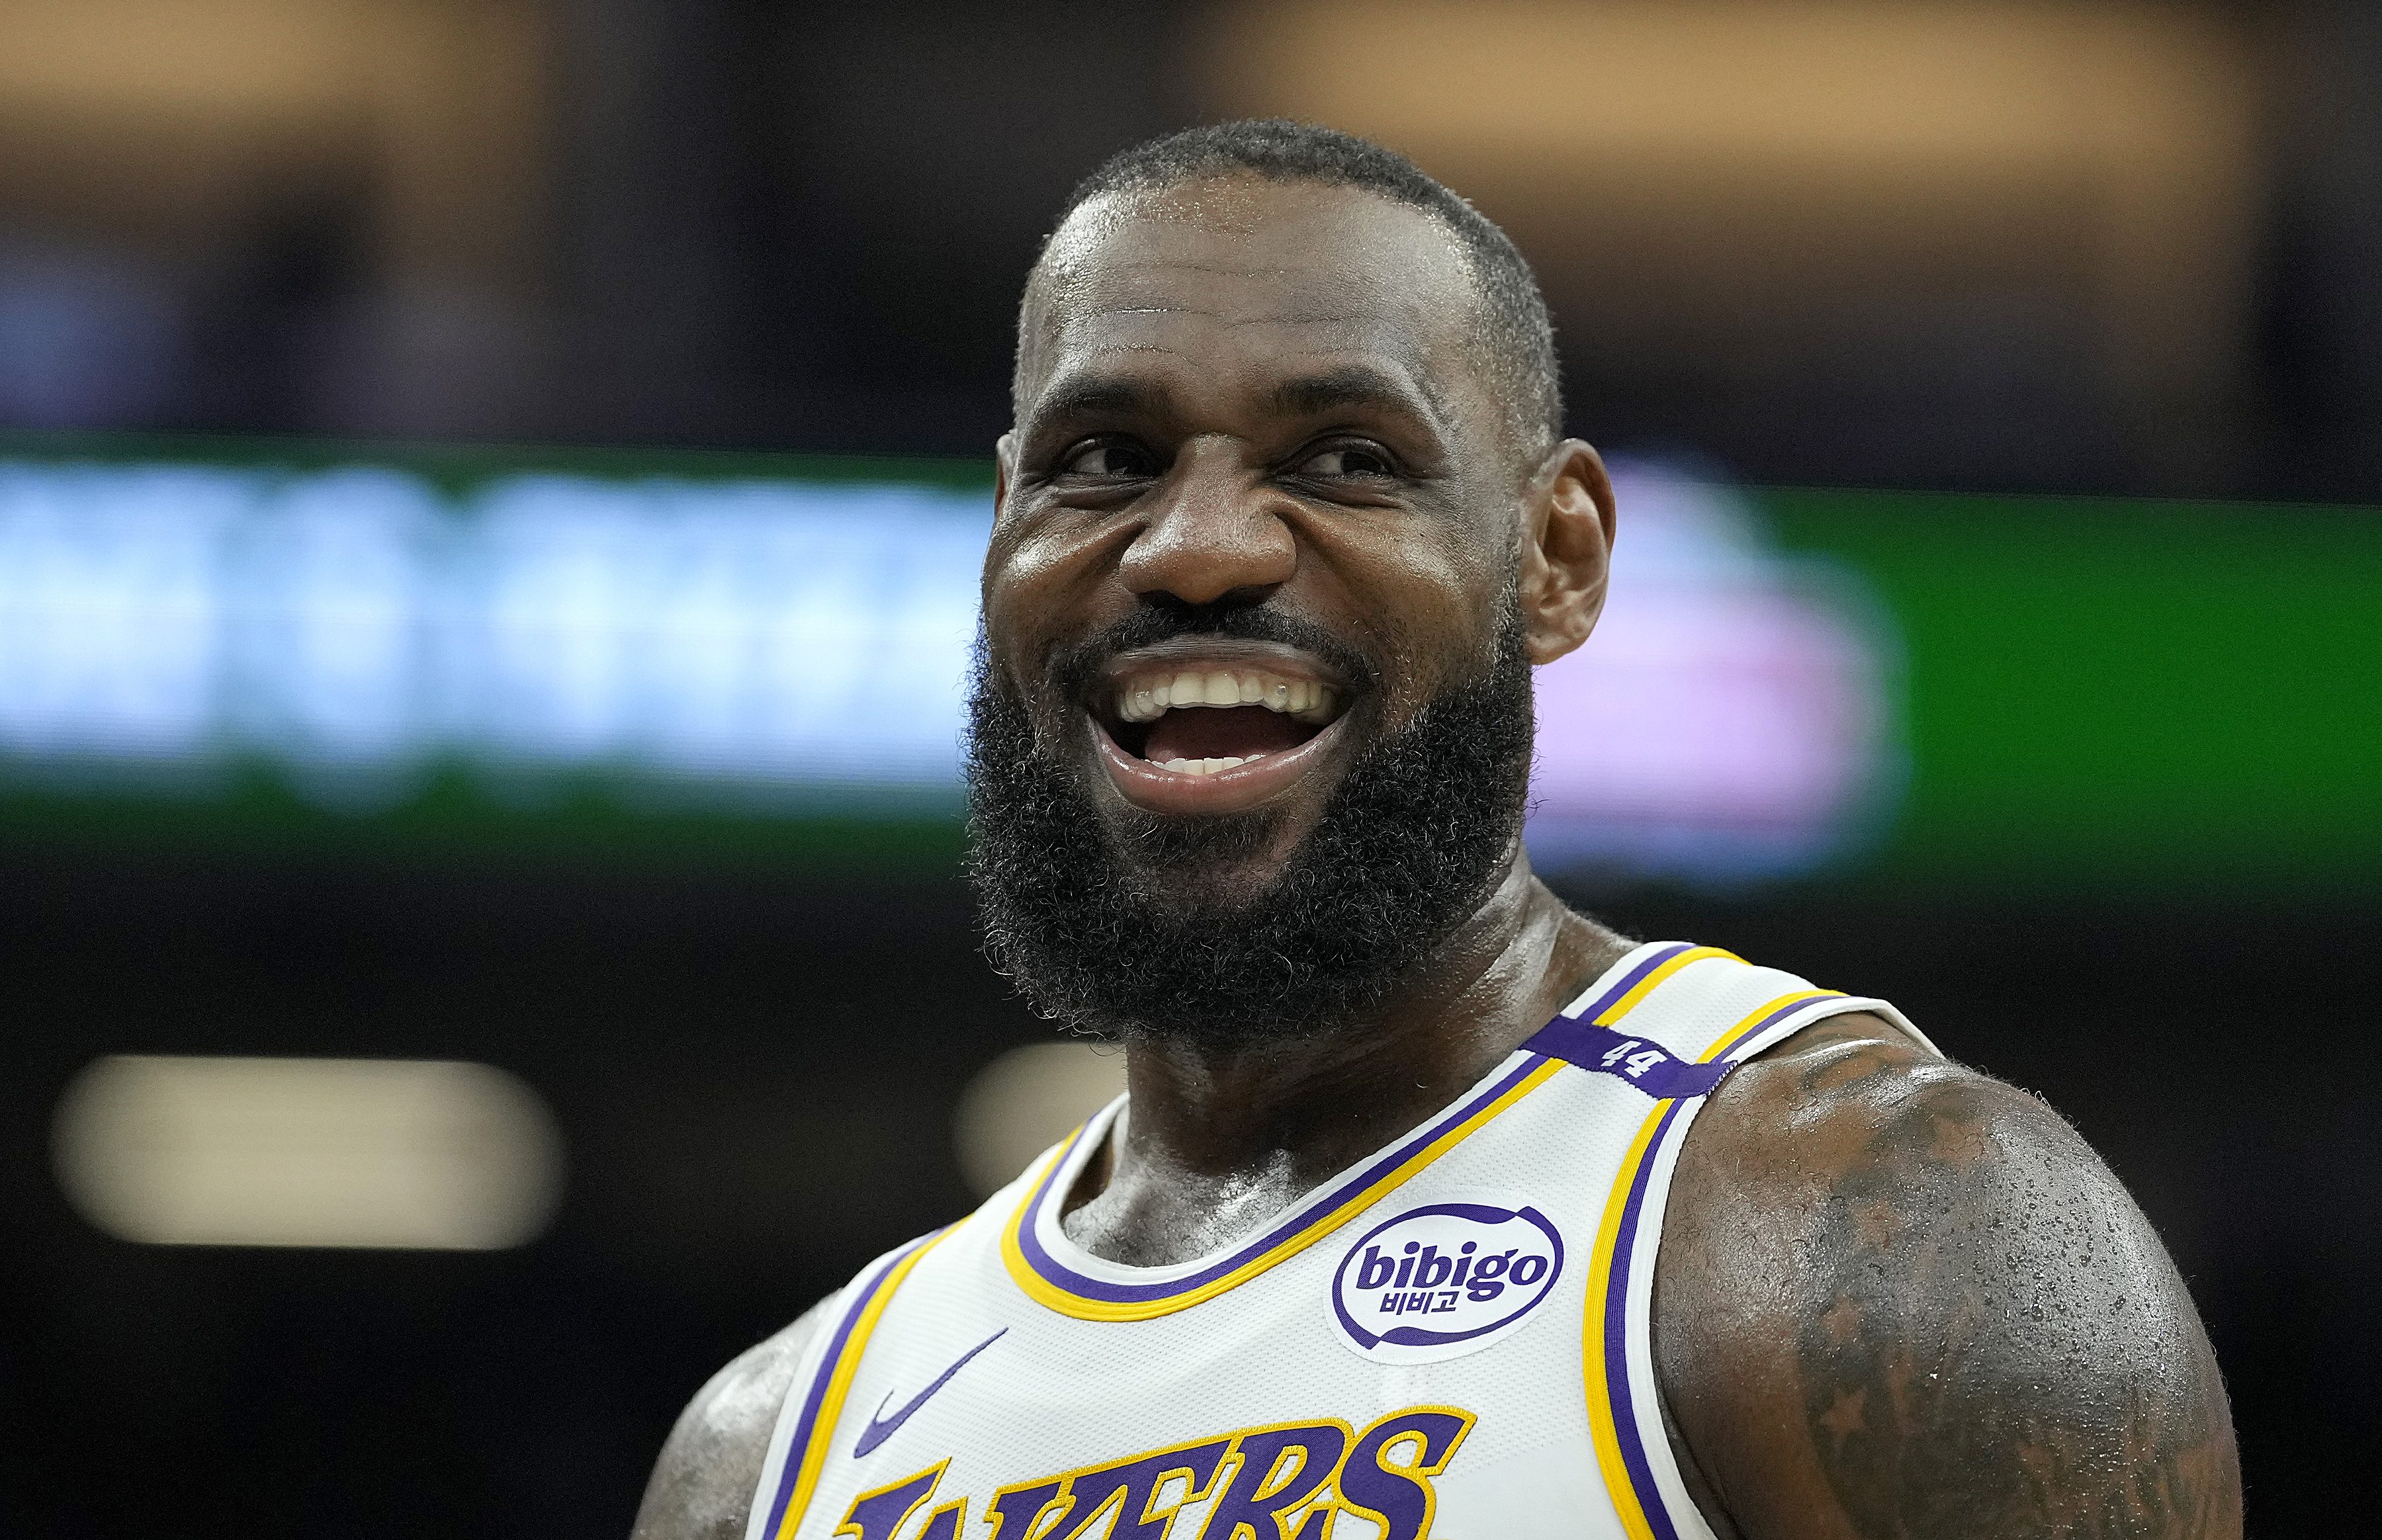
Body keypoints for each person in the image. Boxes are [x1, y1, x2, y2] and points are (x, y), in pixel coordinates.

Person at [634, 120, 2240, 1540]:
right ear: (1002, 538)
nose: (1194, 547)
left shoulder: (1861, 1234)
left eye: (1346, 459)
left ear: (1556, 558)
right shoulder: (774, 1448)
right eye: (1103, 462)